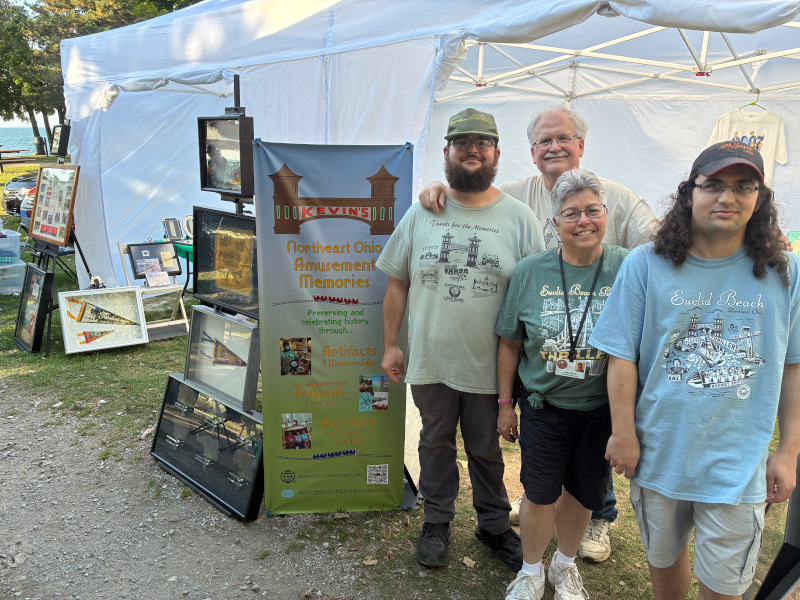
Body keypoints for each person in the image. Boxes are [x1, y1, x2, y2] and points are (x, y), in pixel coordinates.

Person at [419, 104, 656, 562]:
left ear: (581, 145)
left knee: (591, 445)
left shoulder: (616, 197)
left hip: (594, 357)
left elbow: (659, 239)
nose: (554, 147)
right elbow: (471, 195)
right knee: (544, 442)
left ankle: (597, 518)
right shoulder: (515, 194)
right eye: (544, 141)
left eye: (563, 138)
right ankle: (537, 507)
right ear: (530, 152)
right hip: (534, 350)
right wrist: (436, 188)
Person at [590, 142, 800, 600]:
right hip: (660, 451)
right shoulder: (645, 264)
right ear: (690, 194)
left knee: (724, 586)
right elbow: (621, 356)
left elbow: (793, 366)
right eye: (713, 186)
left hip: (738, 464)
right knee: (664, 560)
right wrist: (622, 433)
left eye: (744, 187)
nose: (727, 198)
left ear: (760, 198)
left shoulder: (786, 272)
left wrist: (788, 450)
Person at [378, 107, 545, 571]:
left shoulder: (519, 218)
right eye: (462, 142)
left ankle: (493, 525)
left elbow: (533, 292)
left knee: (486, 450)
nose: (473, 149)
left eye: (482, 142)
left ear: (496, 153)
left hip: (493, 365)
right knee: (434, 442)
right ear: (447, 151)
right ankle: (436, 521)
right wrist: (392, 344)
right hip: (431, 358)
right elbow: (397, 281)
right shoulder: (422, 211)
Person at [496, 169, 629, 600]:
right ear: (554, 223)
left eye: (593, 210)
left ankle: (565, 566)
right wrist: (504, 404)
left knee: (584, 491)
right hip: (544, 405)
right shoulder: (531, 272)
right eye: (572, 213)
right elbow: (510, 344)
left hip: (601, 409)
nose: (584, 221)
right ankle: (531, 571)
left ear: (605, 215)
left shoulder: (627, 266)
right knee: (538, 492)